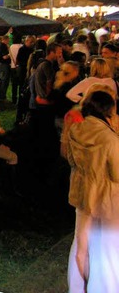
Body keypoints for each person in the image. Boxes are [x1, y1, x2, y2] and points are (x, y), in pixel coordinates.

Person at [65, 90, 119, 292]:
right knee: (106, 252)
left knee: (80, 248)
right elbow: (117, 173)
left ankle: (79, 287)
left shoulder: (75, 128)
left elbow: (71, 161)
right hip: (106, 201)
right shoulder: (109, 138)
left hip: (82, 196)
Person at [0, 35, 12, 101]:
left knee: (1, 80)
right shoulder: (3, 46)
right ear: (6, 39)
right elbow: (5, 57)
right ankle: (2, 96)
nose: (9, 41)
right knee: (4, 80)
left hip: (0, 64)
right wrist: (10, 54)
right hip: (3, 65)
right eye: (8, 39)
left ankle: (0, 95)